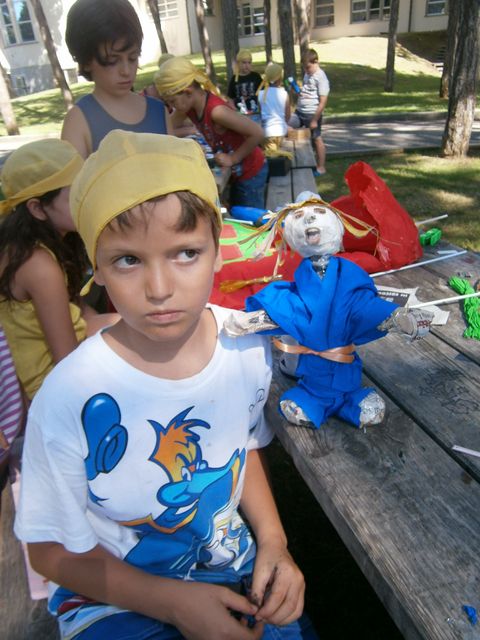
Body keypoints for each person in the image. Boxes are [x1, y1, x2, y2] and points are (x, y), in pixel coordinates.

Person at [14, 130, 317, 640]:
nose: (159, 289)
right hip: (112, 598)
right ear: (97, 268)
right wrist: (173, 604)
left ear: (218, 249)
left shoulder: (244, 346)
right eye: (128, 260)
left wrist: (274, 541)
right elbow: (47, 552)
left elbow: (242, 447)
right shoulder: (69, 395)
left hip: (231, 567)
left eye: (186, 253)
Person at [0, 139, 118, 402]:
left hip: (71, 348)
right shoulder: (38, 264)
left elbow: (76, 308)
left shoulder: (40, 242)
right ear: (37, 208)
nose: (88, 198)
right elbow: (67, 360)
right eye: (77, 193)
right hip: (48, 390)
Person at [61, 0, 170, 158]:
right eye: (112, 60)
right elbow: (73, 175)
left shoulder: (159, 112)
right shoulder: (78, 122)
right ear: (86, 61)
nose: (126, 71)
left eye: (133, 58)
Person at [155, 57, 268, 209]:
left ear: (188, 92)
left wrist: (233, 158)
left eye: (172, 101)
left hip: (251, 171)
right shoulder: (189, 106)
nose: (171, 106)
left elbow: (258, 133)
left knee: (249, 217)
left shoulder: (216, 112)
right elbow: (165, 129)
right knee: (235, 208)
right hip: (236, 172)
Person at [290, 49, 329, 176]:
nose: (306, 70)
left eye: (308, 67)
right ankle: (298, 160)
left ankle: (321, 167)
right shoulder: (308, 74)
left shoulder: (321, 78)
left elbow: (323, 102)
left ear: (316, 62)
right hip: (299, 111)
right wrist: (298, 92)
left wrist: (314, 120)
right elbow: (308, 91)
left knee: (316, 139)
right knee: (287, 126)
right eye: (304, 68)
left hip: (312, 114)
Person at [257, 63, 291, 157]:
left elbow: (260, 115)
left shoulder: (260, 94)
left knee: (269, 154)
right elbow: (288, 116)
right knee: (274, 152)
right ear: (280, 79)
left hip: (266, 133)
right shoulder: (284, 94)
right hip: (281, 132)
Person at [227, 49, 262, 117]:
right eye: (244, 63)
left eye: (249, 63)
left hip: (255, 113)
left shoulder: (256, 76)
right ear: (238, 63)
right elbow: (230, 98)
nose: (247, 65)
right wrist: (234, 109)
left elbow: (263, 93)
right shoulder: (234, 79)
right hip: (240, 115)